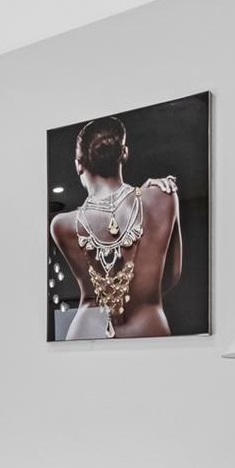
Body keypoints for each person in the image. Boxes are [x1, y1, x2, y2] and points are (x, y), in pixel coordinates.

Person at [49, 116, 182, 339]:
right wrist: (145, 195)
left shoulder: (61, 225)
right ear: (124, 153)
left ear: (78, 164)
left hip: (86, 332)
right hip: (147, 328)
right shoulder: (163, 196)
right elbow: (170, 277)